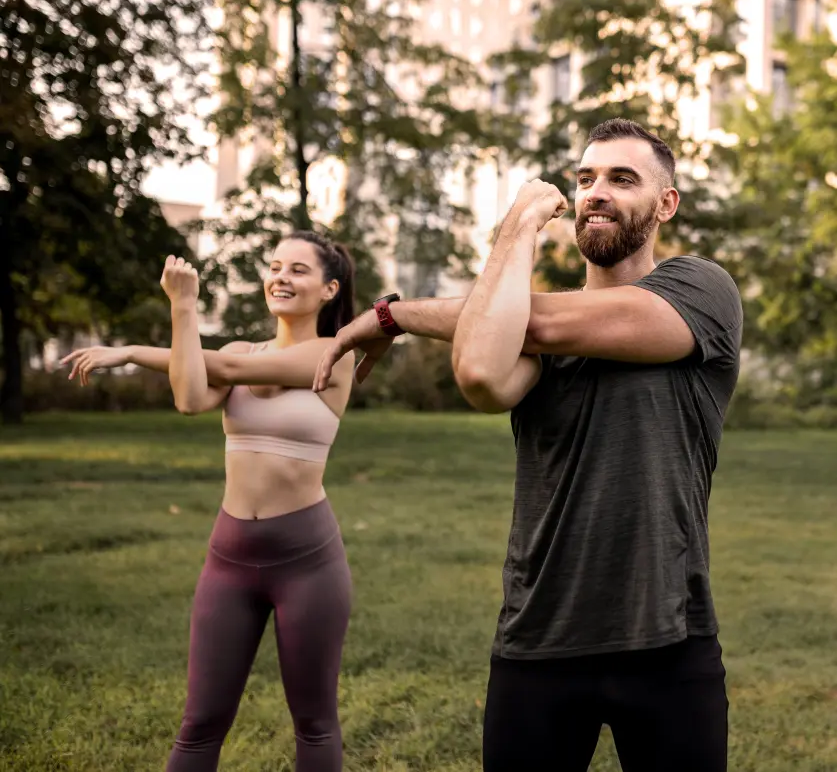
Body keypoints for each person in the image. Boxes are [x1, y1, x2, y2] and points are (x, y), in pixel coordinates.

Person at [314, 119, 743, 772]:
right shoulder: (522, 329)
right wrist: (517, 224)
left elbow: (533, 321)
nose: (596, 192)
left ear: (666, 203)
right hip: (539, 635)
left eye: (622, 178)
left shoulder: (699, 290)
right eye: (585, 178)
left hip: (668, 637)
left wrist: (393, 315)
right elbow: (481, 373)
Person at [62, 231, 358, 772]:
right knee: (199, 725)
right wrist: (181, 308)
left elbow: (223, 370)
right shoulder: (240, 350)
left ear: (329, 289)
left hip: (307, 563)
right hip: (230, 560)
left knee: (314, 723)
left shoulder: (333, 355)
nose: (281, 277)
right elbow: (190, 394)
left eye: (298, 270)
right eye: (275, 266)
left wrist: (134, 351)